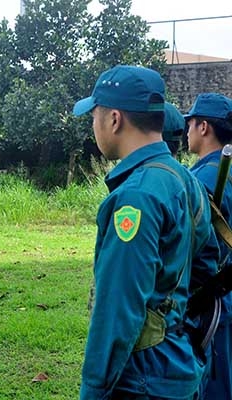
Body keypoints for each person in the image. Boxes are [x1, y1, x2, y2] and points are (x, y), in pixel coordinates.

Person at [73, 65, 218, 399]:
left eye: (94, 114)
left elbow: (117, 309)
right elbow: (208, 265)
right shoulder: (184, 179)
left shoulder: (135, 197)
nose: (93, 125)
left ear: (114, 119)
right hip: (178, 364)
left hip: (142, 378)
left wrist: (92, 390)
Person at [186, 93, 232, 399]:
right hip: (226, 298)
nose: (186, 131)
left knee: (213, 387)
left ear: (204, 127)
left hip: (211, 303)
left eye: (190, 123)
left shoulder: (203, 178)